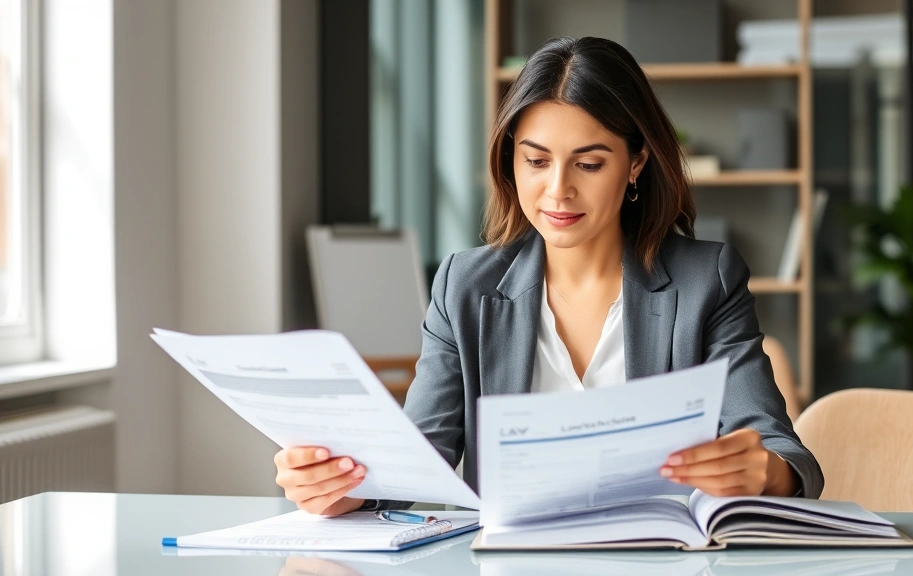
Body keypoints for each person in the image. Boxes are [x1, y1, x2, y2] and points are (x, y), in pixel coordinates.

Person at [274, 36, 824, 517]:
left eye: (588, 164)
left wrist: (764, 472)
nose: (558, 190)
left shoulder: (707, 280)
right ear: (510, 161)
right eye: (536, 161)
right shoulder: (464, 286)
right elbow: (420, 456)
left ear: (635, 163)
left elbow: (783, 451)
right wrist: (343, 487)